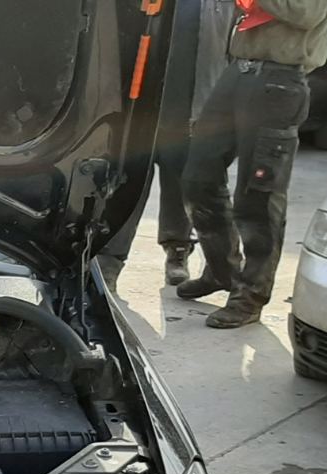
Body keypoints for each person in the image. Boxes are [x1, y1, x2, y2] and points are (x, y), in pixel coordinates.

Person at [178, 0, 327, 328]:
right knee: (198, 176)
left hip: (280, 79)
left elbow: (305, 14)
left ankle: (250, 295)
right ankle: (222, 270)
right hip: (238, 70)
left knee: (259, 195)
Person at [102, 0, 234, 289]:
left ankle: (177, 250)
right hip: (140, 105)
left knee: (180, 183)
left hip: (190, 108)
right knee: (128, 181)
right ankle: (109, 260)